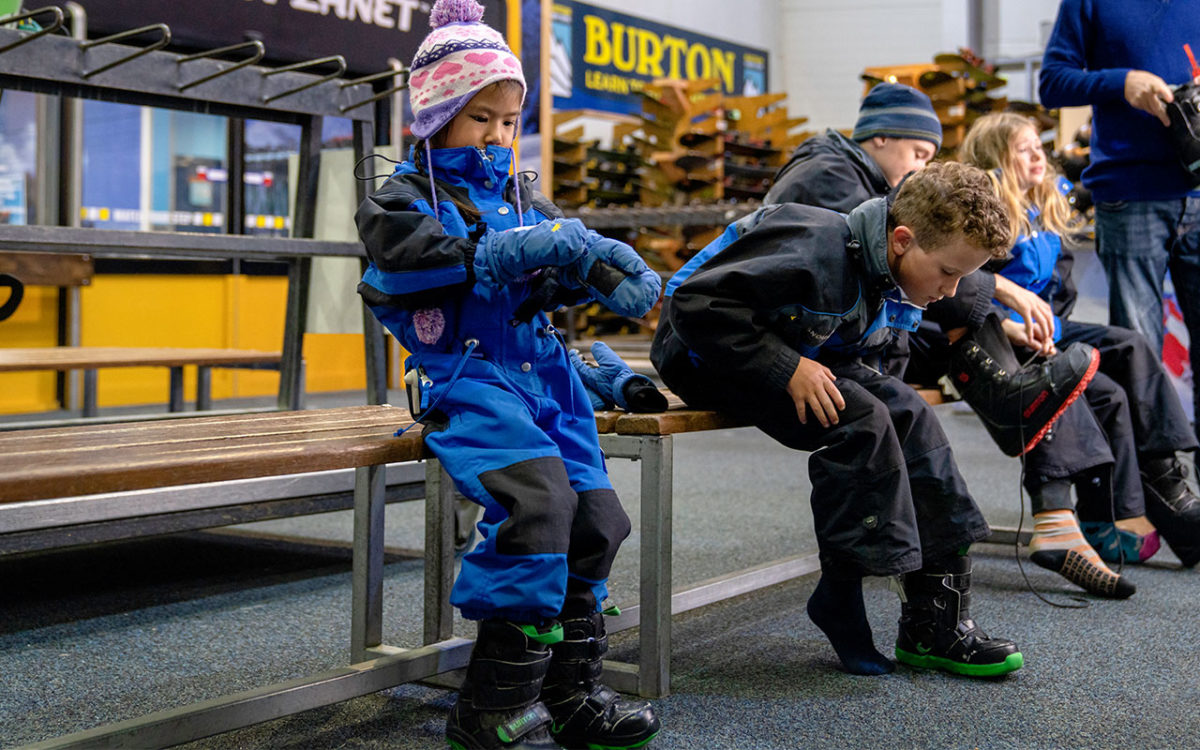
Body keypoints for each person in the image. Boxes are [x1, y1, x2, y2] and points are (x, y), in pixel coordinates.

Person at [355, 2, 661, 747]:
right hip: (472, 381)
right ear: (437, 115)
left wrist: (596, 273)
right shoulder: (403, 196)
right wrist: (497, 255)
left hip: (548, 380)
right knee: (537, 509)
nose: (496, 135)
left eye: (506, 120)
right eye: (479, 117)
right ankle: (490, 703)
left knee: (598, 520)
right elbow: (402, 266)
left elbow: (553, 269)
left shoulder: (524, 195)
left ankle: (572, 693)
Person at [652, 161, 1024, 678]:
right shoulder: (817, 244)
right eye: (948, 272)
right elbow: (695, 304)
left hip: (798, 347)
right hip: (707, 352)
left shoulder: (883, 268)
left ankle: (936, 621)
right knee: (863, 420)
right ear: (901, 240)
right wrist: (786, 369)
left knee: (910, 414)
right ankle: (840, 594)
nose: (954, 290)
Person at [766, 82, 1098, 458]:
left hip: (843, 329)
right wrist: (1000, 293)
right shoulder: (826, 174)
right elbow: (888, 258)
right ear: (881, 137)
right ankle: (1035, 453)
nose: (922, 167)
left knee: (1103, 371)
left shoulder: (859, 176)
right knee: (937, 278)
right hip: (809, 336)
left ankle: (1102, 491)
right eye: (919, 153)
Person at [960, 111, 1200, 571]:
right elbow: (966, 284)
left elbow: (1059, 281)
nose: (1037, 156)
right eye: (1023, 149)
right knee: (1107, 393)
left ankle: (1165, 477)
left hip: (1049, 326)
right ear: (996, 158)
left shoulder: (1044, 205)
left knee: (1130, 345)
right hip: (1003, 333)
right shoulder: (988, 211)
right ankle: (1125, 513)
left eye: (1038, 147)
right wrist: (1009, 323)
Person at [1039, 0, 1200, 438]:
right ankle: (1153, 490)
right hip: (1131, 194)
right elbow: (1052, 83)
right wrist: (1121, 82)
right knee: (1140, 354)